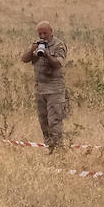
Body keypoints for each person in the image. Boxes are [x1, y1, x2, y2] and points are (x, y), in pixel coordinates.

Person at [21, 21, 68, 152]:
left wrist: (47, 54)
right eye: (40, 33)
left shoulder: (59, 45)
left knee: (54, 121)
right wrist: (32, 49)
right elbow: (24, 59)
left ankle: (58, 149)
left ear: (51, 31)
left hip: (54, 89)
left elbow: (58, 64)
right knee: (44, 121)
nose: (42, 36)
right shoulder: (36, 44)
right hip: (40, 89)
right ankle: (50, 148)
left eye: (45, 33)